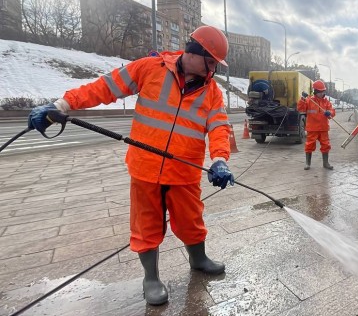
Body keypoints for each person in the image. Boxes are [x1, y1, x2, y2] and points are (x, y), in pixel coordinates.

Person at [27, 25, 235, 306]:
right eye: (210, 62)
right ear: (195, 51)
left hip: (185, 170)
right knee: (146, 225)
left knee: (191, 220)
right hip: (145, 168)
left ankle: (198, 259)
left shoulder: (212, 92)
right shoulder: (150, 68)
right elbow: (104, 87)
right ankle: (151, 277)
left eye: (215, 65)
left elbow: (219, 126)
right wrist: (62, 105)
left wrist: (220, 159)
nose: (212, 70)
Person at [297, 80, 336, 170]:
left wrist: (329, 112)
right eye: (320, 92)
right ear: (316, 91)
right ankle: (308, 163)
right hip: (312, 128)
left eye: (323, 91)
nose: (322, 93)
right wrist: (302, 99)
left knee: (326, 145)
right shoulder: (309, 100)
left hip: (323, 128)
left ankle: (326, 163)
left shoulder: (326, 102)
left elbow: (332, 111)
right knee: (309, 145)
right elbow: (300, 108)